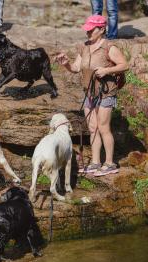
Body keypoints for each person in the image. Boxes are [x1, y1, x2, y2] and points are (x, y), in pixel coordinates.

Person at [55, 15, 128, 177]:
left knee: (103, 127)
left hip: (106, 92)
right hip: (89, 92)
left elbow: (124, 65)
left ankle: (110, 163)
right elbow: (75, 68)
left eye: (91, 29)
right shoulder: (84, 47)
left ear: (101, 29)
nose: (87, 32)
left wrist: (106, 70)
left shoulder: (110, 47)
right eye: (87, 29)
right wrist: (66, 63)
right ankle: (95, 162)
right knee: (93, 127)